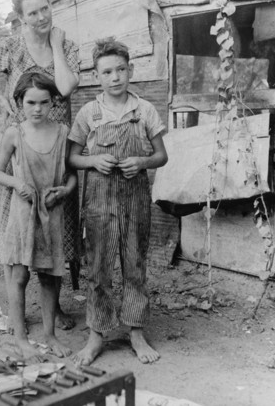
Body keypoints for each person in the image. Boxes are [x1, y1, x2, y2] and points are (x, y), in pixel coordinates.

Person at [0, 0, 80, 331]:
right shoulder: (9, 47)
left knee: (56, 228)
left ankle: (52, 310)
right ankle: (17, 313)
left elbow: (67, 87)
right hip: (22, 150)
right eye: (33, 13)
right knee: (19, 228)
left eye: (45, 8)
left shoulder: (66, 46)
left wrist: (53, 44)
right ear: (20, 17)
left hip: (57, 150)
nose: (41, 17)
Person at [68, 37, 168, 365]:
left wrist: (141, 162)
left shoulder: (145, 110)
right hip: (98, 202)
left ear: (130, 70)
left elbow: (161, 156)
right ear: (97, 76)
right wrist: (93, 161)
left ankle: (136, 331)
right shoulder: (89, 113)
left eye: (121, 70)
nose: (115, 77)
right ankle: (96, 335)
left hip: (135, 199)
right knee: (98, 268)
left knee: (134, 264)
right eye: (107, 71)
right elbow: (72, 158)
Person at [0, 72, 77, 361]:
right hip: (22, 213)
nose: (37, 109)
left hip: (51, 213)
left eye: (44, 102)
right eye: (31, 103)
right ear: (19, 102)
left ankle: (50, 335)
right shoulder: (15, 133)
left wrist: (64, 192)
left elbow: (72, 177)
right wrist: (18, 183)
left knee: (50, 277)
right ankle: (21, 339)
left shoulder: (63, 132)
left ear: (53, 102)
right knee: (19, 274)